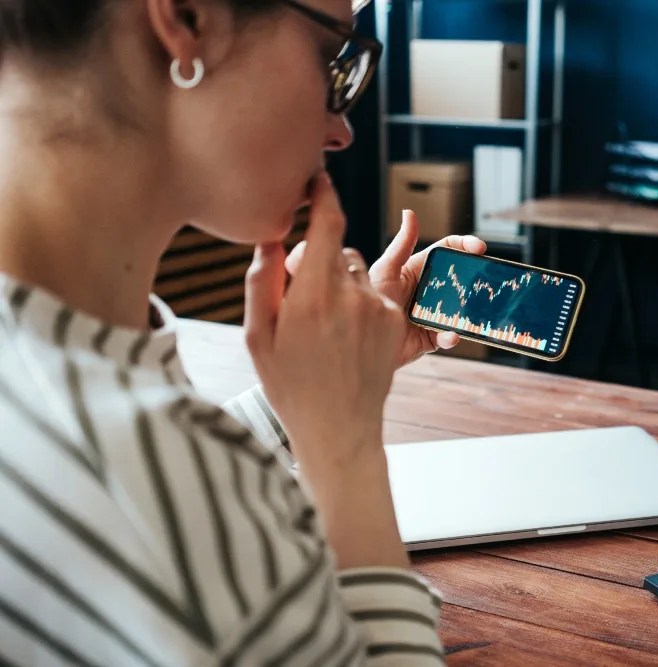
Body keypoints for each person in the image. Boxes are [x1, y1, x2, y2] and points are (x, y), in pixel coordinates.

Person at [0, 0, 487, 664]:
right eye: (334, 58)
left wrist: (303, 396)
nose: (340, 129)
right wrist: (344, 445)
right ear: (187, 17)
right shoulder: (146, 482)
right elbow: (172, 496)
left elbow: (171, 479)